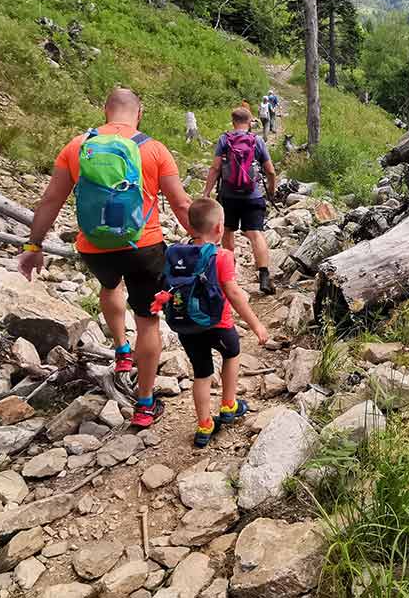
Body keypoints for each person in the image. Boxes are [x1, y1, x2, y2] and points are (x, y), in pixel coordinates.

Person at [17, 88, 193, 429]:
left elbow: (50, 200)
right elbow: (182, 204)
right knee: (147, 320)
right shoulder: (154, 149)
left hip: (95, 247)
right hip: (144, 247)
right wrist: (202, 243)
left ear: (105, 110)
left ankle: (121, 350)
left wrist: (33, 247)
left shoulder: (77, 146)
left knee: (110, 285)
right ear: (139, 112)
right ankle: (144, 404)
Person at [166, 198, 269, 447]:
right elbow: (233, 294)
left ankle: (204, 425)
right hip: (218, 324)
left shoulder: (176, 253)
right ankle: (228, 405)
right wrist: (256, 325)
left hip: (187, 327)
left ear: (190, 226)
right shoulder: (222, 256)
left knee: (201, 374)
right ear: (219, 229)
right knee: (231, 354)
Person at [203, 107, 278, 295]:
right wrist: (271, 188)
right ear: (250, 121)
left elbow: (215, 168)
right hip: (253, 195)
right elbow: (270, 170)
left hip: (228, 196)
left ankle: (230, 275)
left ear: (233, 121)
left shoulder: (224, 140)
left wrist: (206, 193)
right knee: (255, 233)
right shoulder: (257, 140)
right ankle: (264, 276)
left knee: (227, 231)